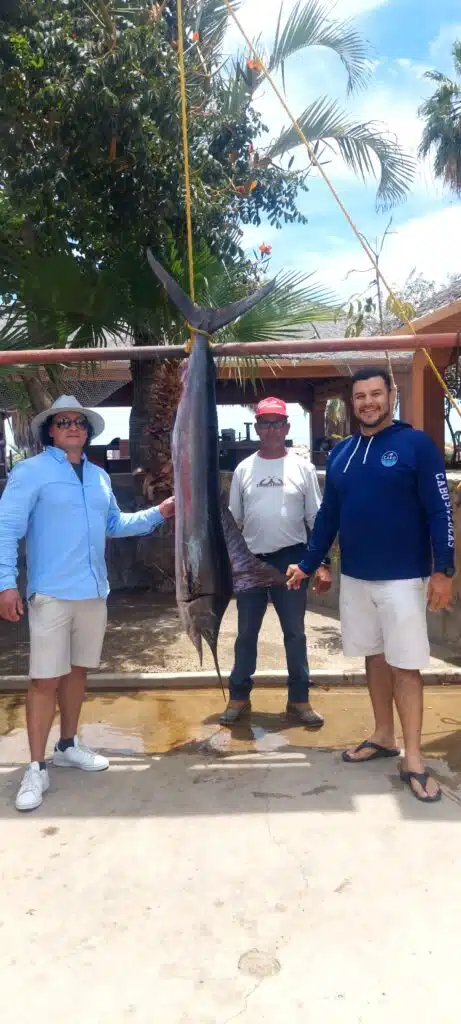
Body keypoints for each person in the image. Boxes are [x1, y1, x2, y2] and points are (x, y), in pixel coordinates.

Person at [287, 368, 455, 803]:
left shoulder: (416, 445)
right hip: (357, 579)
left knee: (406, 665)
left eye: (376, 394)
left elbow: (440, 511)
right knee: (374, 659)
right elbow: (328, 517)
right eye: (360, 396)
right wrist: (309, 563)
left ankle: (414, 758)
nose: (368, 403)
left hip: (403, 579)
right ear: (352, 402)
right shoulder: (341, 453)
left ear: (391, 396)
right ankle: (383, 735)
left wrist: (445, 571)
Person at [0, 396, 175, 812]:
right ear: (50, 431)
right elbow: (6, 530)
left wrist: (159, 512)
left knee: (78, 672)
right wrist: (6, 584)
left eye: (78, 421)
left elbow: (113, 525)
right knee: (44, 679)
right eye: (63, 422)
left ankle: (67, 744)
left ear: (87, 430)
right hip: (51, 593)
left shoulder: (98, 477)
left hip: (94, 592)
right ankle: (36, 766)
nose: (72, 427)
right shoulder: (30, 472)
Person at [220, 397, 331, 726]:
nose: (271, 428)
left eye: (276, 422)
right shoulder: (244, 469)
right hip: (251, 562)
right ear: (257, 428)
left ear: (286, 427)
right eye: (264, 422)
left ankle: (299, 699)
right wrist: (231, 564)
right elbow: (233, 523)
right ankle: (238, 696)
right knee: (246, 633)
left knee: (295, 633)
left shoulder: (303, 468)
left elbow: (318, 519)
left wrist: (321, 563)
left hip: (292, 562)